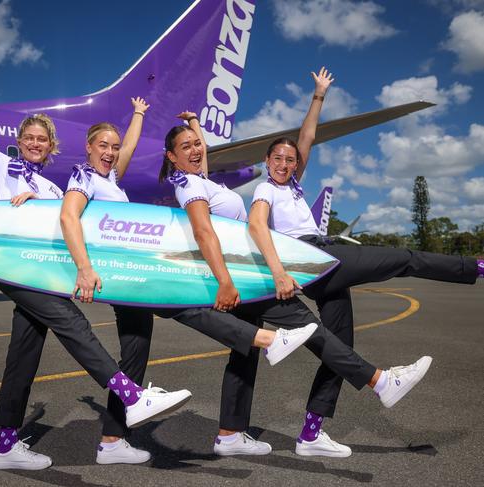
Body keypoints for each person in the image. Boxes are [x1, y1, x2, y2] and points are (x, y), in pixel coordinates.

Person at [0, 77, 193, 471]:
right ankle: (130, 394)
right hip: (13, 265)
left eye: (43, 139)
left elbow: (77, 210)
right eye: (31, 137)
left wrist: (138, 117)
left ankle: (6, 447)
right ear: (21, 140)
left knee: (23, 356)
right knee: (70, 322)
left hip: (41, 273)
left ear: (50, 146)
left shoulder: (52, 189)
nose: (36, 143)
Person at [159, 105, 433, 459]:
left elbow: (203, 162)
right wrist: (224, 281)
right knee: (313, 331)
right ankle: (380, 381)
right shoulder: (188, 185)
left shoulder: (201, 179)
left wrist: (195, 124)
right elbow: (202, 230)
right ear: (172, 156)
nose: (197, 150)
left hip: (246, 273)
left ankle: (229, 434)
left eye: (199, 144)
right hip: (245, 277)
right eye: (187, 147)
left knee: (244, 355)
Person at [60, 106, 318, 464]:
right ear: (88, 147)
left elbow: (135, 150)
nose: (111, 151)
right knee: (181, 306)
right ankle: (267, 340)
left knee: (135, 350)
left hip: (124, 272)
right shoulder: (84, 176)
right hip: (117, 272)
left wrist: (137, 115)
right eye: (103, 145)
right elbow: (67, 215)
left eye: (115, 146)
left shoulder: (110, 180)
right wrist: (83, 269)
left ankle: (112, 441)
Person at [248, 66, 483, 456]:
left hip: (319, 258)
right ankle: (476, 267)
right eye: (278, 158)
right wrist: (278, 271)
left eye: (290, 160)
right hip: (312, 257)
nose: (285, 163)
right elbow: (257, 226)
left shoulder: (293, 184)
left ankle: (310, 433)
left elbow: (307, 137)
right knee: (403, 259)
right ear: (267, 160)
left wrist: (318, 96)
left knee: (339, 346)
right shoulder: (265, 189)